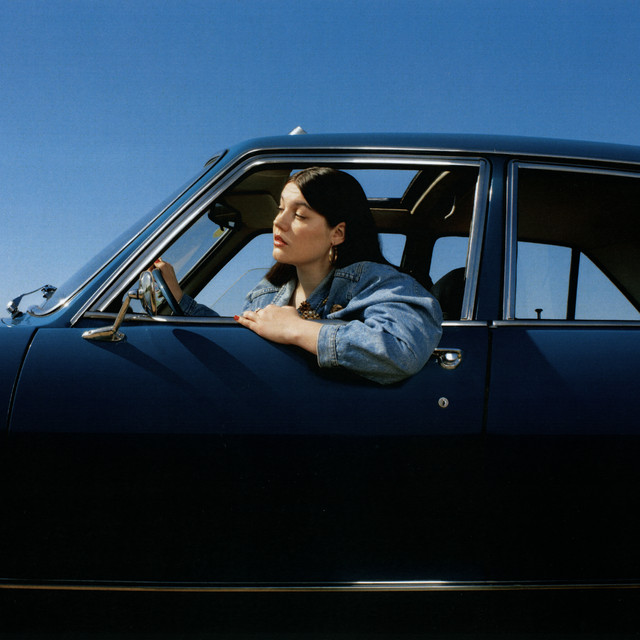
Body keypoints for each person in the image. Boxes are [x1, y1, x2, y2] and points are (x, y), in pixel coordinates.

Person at [154, 167, 443, 384]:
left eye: (300, 215)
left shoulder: (380, 284)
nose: (278, 222)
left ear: (337, 233)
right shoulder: (267, 291)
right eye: (281, 209)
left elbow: (401, 350)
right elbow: (238, 343)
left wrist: (297, 329)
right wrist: (178, 298)